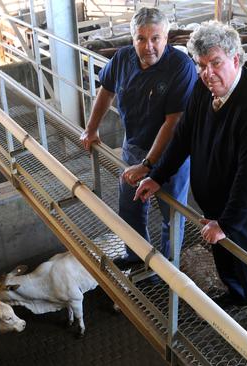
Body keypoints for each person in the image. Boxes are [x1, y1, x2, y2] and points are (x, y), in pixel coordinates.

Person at [134, 20, 247, 348]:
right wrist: (156, 176)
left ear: (236, 60)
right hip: (220, 208)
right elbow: (183, 138)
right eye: (202, 65)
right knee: (225, 258)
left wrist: (228, 223)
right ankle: (237, 294)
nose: (208, 73)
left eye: (216, 63)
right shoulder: (204, 92)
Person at [80, 7, 197, 268]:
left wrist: (148, 165)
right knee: (130, 209)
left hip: (171, 157)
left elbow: (174, 121)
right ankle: (135, 256)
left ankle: (168, 268)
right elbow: (106, 91)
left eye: (155, 38)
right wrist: (91, 129)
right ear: (133, 39)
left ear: (166, 38)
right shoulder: (122, 59)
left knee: (172, 215)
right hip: (133, 147)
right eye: (141, 39)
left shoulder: (181, 67)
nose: (148, 46)